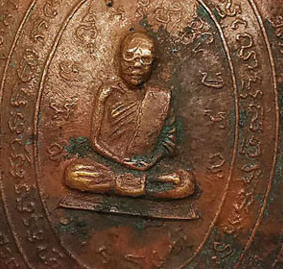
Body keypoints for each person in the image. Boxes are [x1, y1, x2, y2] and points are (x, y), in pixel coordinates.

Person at [64, 30, 195, 199]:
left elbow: (168, 142)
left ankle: (127, 185)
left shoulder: (161, 96)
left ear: (153, 64)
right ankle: (136, 186)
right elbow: (95, 141)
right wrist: (122, 161)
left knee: (186, 182)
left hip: (146, 168)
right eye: (129, 57)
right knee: (73, 174)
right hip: (108, 166)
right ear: (119, 59)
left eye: (145, 59)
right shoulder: (108, 92)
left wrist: (151, 160)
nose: (137, 65)